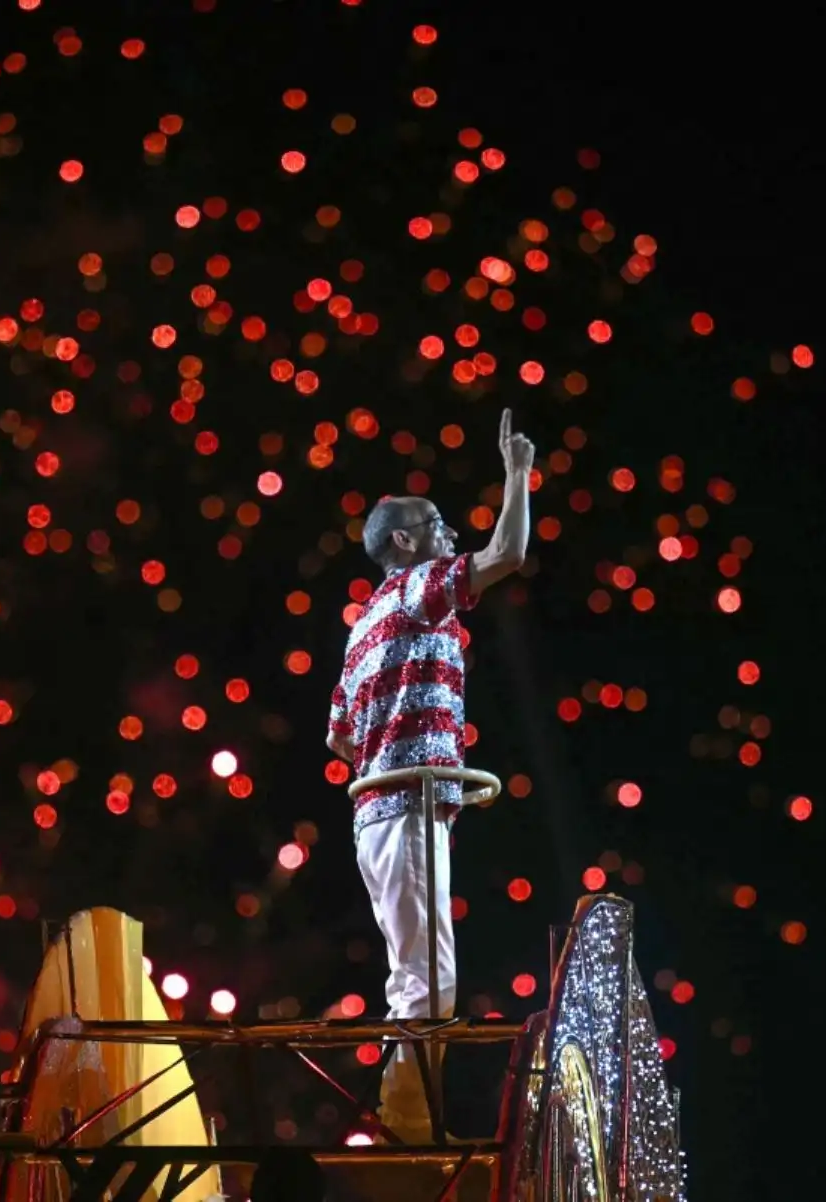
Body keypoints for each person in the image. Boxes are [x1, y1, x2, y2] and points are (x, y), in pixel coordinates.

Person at [326, 407, 535, 1142]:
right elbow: (507, 551)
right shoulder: (415, 593)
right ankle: (409, 1129)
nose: (451, 534)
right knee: (428, 981)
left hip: (384, 811)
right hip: (404, 809)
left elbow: (342, 738)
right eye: (440, 524)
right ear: (407, 542)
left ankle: (407, 1119)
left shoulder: (362, 626)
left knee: (416, 976)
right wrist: (516, 472)